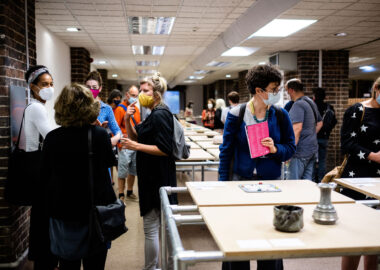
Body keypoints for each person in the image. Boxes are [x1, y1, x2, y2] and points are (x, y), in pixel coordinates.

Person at [219, 64, 296, 270]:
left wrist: (275, 149)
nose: (277, 93)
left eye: (278, 89)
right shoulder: (237, 114)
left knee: (269, 236)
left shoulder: (280, 115)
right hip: (240, 183)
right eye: (273, 89)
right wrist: (221, 185)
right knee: (239, 236)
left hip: (270, 184)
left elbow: (290, 148)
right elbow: (226, 152)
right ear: (259, 91)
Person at [43, 83, 116, 270]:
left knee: (68, 264)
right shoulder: (99, 135)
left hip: (64, 212)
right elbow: (108, 164)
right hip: (95, 211)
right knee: (95, 265)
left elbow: (46, 174)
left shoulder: (52, 138)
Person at [121, 72, 177, 270]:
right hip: (150, 176)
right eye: (140, 91)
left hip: (158, 177)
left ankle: (158, 267)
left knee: (154, 228)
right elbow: (137, 138)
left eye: (145, 91)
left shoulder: (161, 114)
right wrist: (128, 120)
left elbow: (164, 149)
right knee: (156, 227)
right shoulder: (153, 113)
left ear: (157, 94)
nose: (140, 95)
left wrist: (135, 147)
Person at [340, 77, 380, 270]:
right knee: (355, 235)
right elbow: (346, 143)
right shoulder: (357, 110)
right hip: (358, 178)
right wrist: (372, 156)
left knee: (376, 237)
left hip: (378, 182)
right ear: (376, 89)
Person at [24, 65, 58, 270]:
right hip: (38, 171)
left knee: (43, 218)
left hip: (39, 169)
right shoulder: (36, 108)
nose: (49, 88)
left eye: (51, 84)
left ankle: (46, 260)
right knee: (43, 219)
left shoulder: (39, 107)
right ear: (33, 87)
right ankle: (45, 261)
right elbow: (52, 137)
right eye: (44, 84)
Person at [285, 79, 323, 181]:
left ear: (291, 90)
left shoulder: (298, 105)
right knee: (307, 184)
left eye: (287, 91)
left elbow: (297, 129)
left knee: (293, 185)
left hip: (299, 153)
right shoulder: (311, 102)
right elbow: (320, 123)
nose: (288, 94)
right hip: (312, 150)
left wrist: (289, 151)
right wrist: (310, 135)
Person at [114, 85, 141, 201]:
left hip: (134, 145)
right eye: (133, 95)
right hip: (124, 145)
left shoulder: (137, 109)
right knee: (122, 171)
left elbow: (138, 125)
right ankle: (121, 194)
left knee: (133, 170)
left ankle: (129, 191)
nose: (134, 98)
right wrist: (119, 143)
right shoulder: (120, 109)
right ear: (127, 95)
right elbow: (115, 128)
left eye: (136, 96)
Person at [85, 71, 121, 146]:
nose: (91, 90)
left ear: (100, 88)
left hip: (98, 146)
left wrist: (115, 138)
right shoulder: (79, 106)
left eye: (94, 87)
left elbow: (117, 130)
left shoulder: (106, 109)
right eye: (88, 87)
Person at [312, 87, 337, 182]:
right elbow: (334, 121)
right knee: (322, 160)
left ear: (314, 96)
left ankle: (312, 180)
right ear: (324, 97)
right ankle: (322, 180)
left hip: (313, 137)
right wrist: (328, 131)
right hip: (324, 137)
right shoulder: (329, 107)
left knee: (312, 161)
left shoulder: (312, 106)